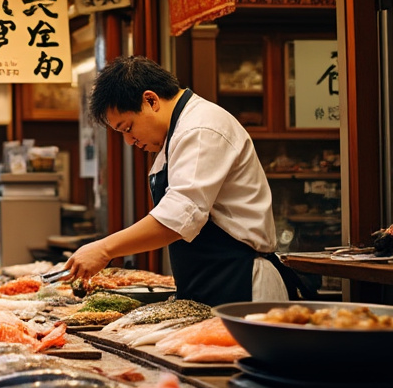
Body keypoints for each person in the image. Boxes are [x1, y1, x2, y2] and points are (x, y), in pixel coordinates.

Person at [61, 55, 312, 305]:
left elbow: (178, 217)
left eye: (127, 128)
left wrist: (104, 249)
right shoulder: (177, 132)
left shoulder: (201, 128)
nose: (129, 141)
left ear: (151, 100)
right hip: (212, 283)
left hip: (240, 283)